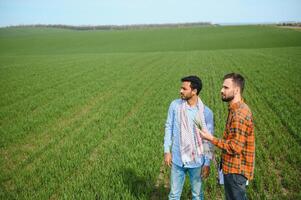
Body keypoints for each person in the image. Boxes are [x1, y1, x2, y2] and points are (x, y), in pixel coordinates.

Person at [199, 73, 255, 200]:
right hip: (233, 168)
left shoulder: (239, 114)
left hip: (236, 170)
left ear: (236, 90)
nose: (221, 90)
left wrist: (211, 138)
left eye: (225, 87)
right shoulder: (236, 109)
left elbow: (235, 147)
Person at [164, 75, 214, 200]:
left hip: (197, 160)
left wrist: (207, 163)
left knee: (197, 195)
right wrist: (166, 150)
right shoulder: (175, 106)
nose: (180, 91)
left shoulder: (205, 112)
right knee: (174, 194)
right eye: (181, 88)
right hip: (177, 158)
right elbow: (168, 127)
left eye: (184, 89)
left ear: (194, 91)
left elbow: (208, 139)